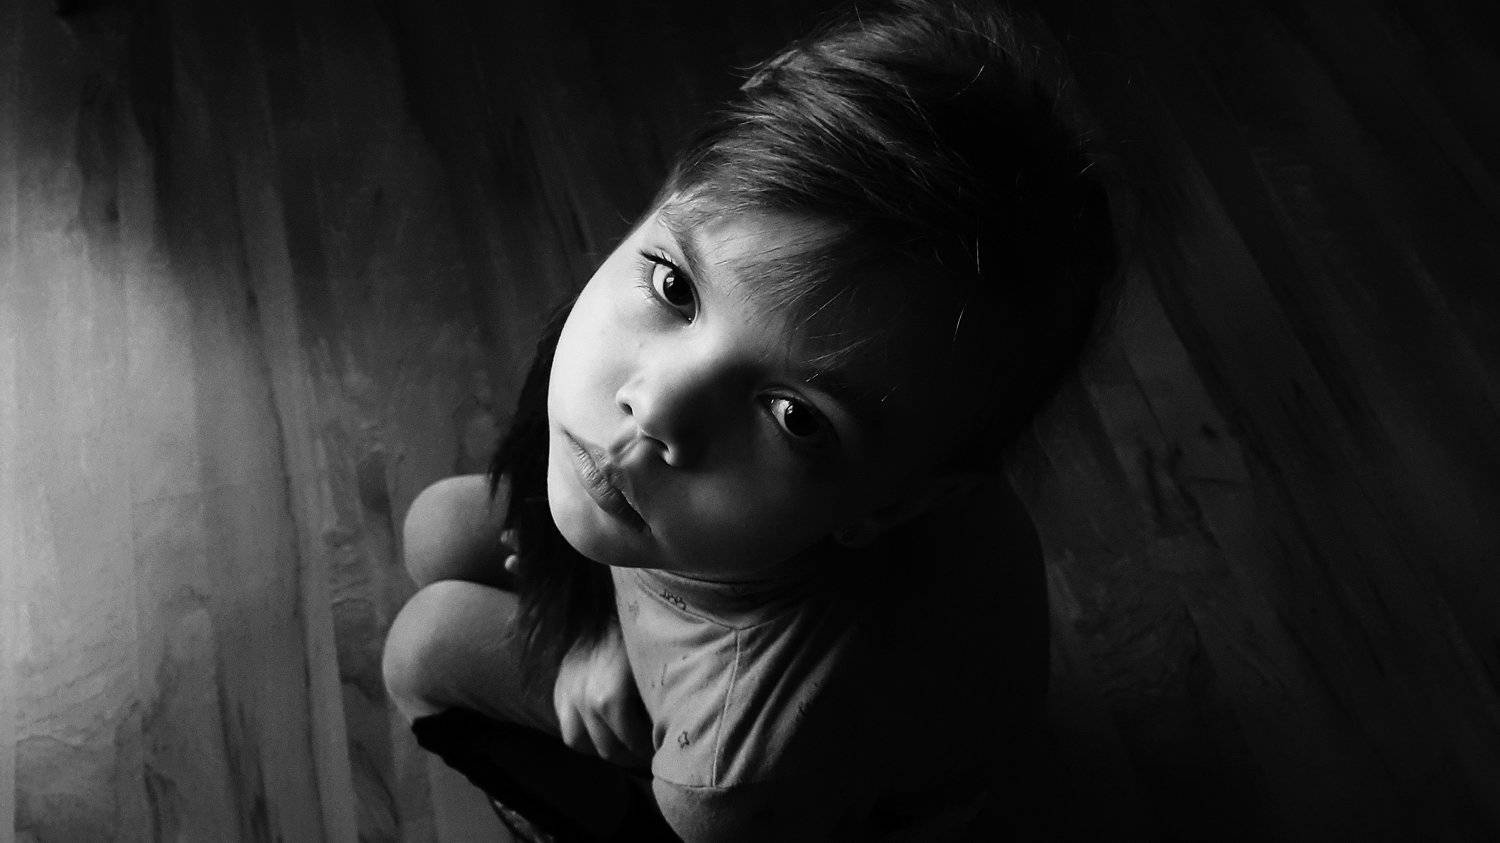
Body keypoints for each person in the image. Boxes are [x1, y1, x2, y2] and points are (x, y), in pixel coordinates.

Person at [382, 0, 1119, 838]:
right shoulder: (901, 427)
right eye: (675, 287)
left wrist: (624, 669)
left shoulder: (731, 775)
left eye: (796, 417)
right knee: (437, 528)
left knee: (423, 646)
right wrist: (593, 621)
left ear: (892, 503)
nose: (655, 405)